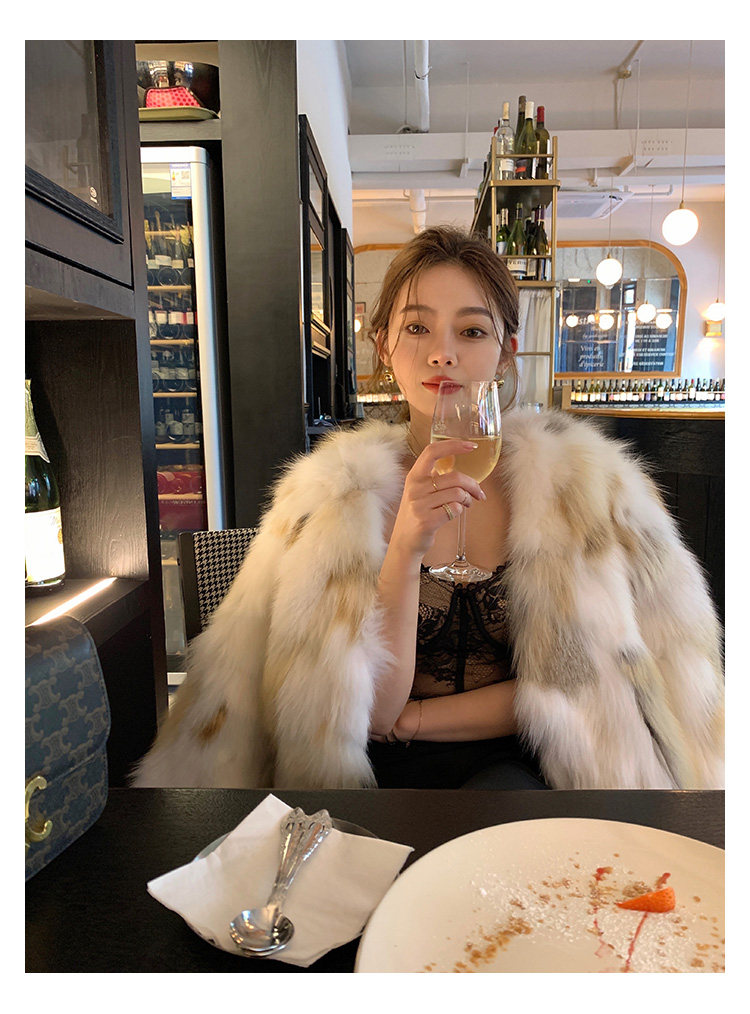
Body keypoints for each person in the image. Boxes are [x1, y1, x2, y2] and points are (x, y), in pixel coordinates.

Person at [131, 226, 724, 791]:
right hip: (369, 771)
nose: (443, 354)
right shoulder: (331, 499)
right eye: (417, 328)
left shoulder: (587, 492)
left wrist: (416, 720)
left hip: (532, 761)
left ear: (505, 352)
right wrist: (406, 547)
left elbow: (581, 686)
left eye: (472, 331)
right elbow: (367, 715)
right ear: (385, 345)